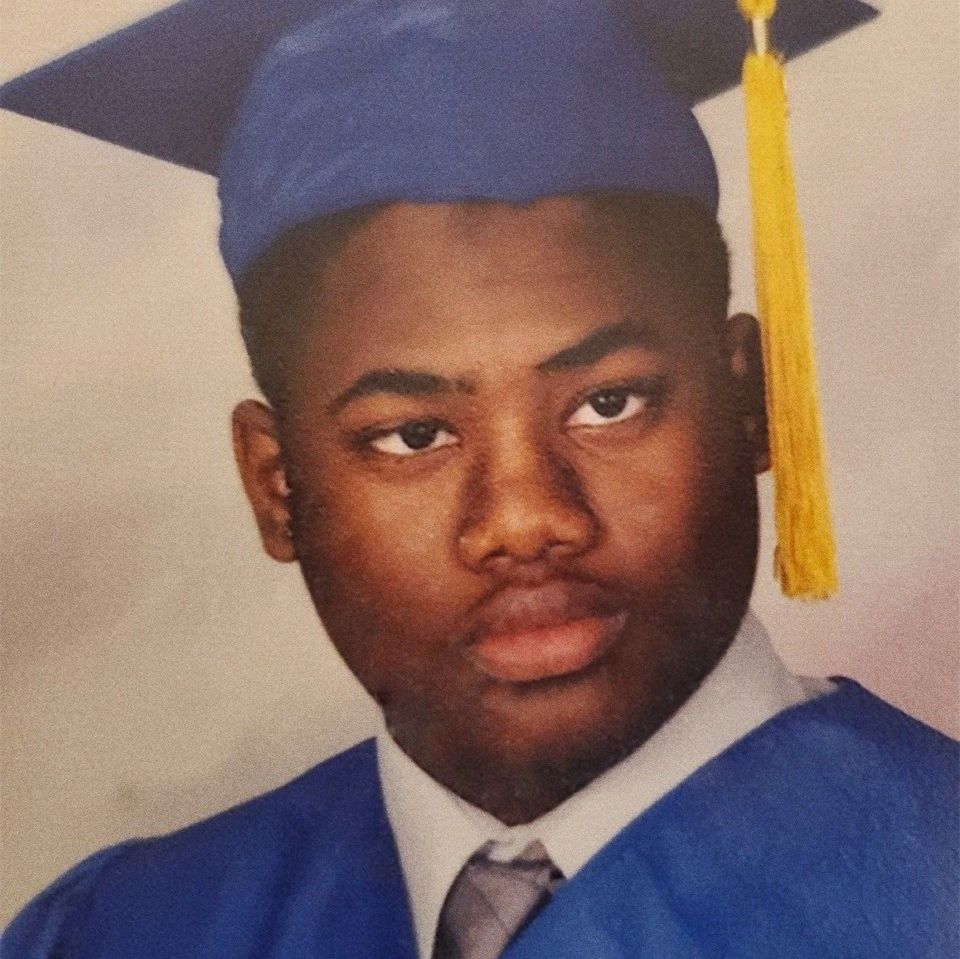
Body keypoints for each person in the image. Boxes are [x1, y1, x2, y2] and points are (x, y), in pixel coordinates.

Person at [1, 1, 956, 957]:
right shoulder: (127, 931)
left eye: (610, 404)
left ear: (754, 403)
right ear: (276, 485)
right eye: (412, 435)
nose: (527, 517)